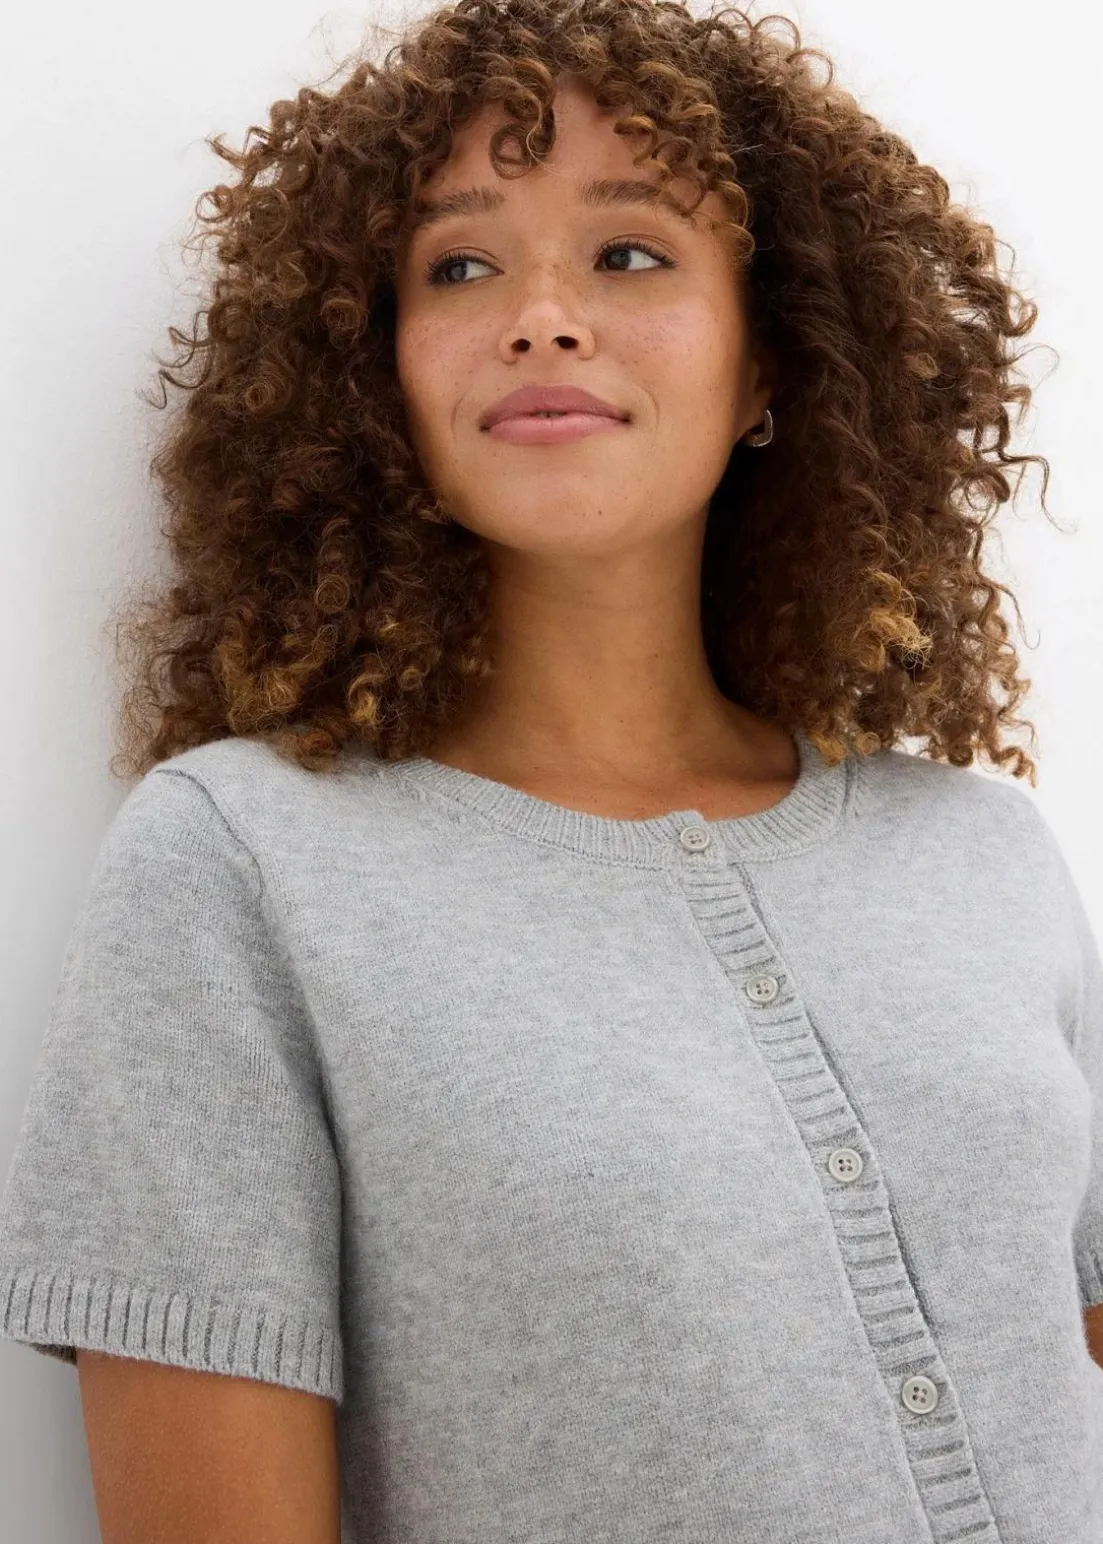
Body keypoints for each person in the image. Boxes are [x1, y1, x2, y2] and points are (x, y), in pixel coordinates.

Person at [0, 1, 1100, 1540]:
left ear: (768, 357)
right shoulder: (245, 869)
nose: (541, 318)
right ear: (376, 376)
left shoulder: (981, 859)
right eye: (458, 267)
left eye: (629, 252)